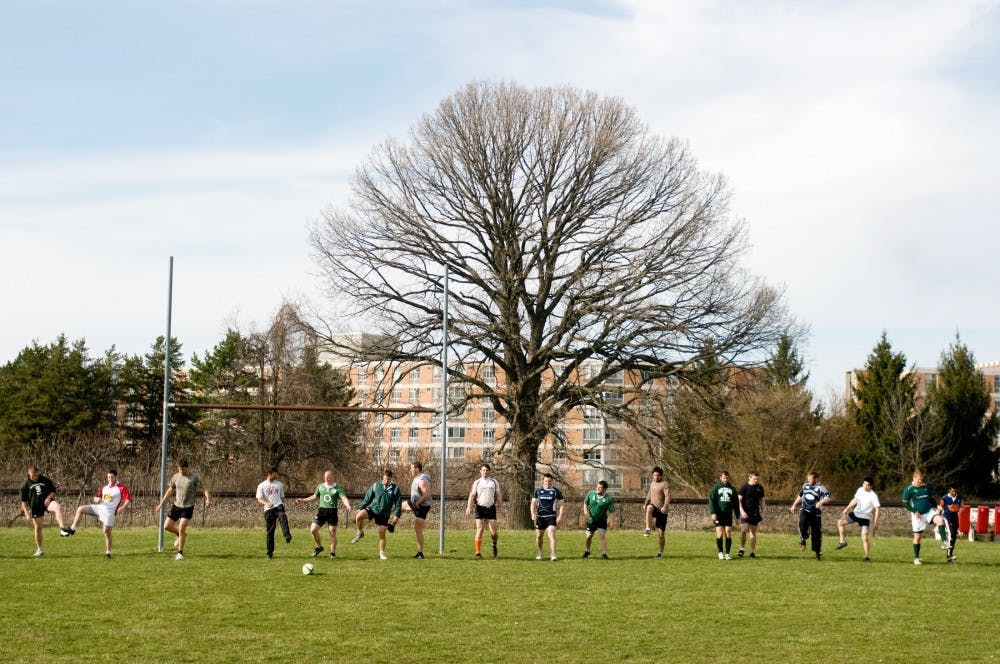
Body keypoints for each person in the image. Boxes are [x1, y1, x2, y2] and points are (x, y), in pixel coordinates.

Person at [61, 469, 132, 559]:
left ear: (116, 477)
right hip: (100, 508)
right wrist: (96, 500)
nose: (110, 479)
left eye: (112, 477)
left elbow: (128, 499)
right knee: (80, 509)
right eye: (108, 477)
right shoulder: (104, 488)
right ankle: (72, 529)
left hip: (110, 513)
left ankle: (108, 552)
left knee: (106, 532)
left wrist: (122, 507)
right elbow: (95, 497)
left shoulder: (121, 488)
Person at [154, 459, 211, 560]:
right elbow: (170, 491)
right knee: (166, 526)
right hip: (177, 506)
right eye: (180, 470)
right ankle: (179, 535)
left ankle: (180, 553)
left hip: (188, 506)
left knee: (182, 527)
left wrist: (208, 499)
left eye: (183, 470)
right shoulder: (176, 477)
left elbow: (204, 488)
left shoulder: (194, 477)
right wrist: (160, 505)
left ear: (187, 468)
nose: (181, 472)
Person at [295, 469, 351, 558]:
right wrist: (303, 500)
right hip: (322, 511)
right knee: (313, 530)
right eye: (325, 477)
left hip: (332, 511)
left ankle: (332, 553)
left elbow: (344, 498)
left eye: (328, 477)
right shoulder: (320, 486)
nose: (327, 479)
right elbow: (314, 496)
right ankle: (319, 547)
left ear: (333, 477)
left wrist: (348, 505)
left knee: (332, 532)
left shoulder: (338, 488)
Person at [350, 468, 403, 560]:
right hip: (373, 509)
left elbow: (398, 506)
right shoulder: (376, 485)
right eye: (385, 478)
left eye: (388, 479)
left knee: (382, 533)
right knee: (359, 516)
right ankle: (360, 532)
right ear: (383, 477)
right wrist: (361, 508)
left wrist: (395, 521)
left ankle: (382, 553)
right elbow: (368, 498)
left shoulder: (395, 489)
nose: (386, 480)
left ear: (391, 478)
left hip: (384, 514)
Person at [902, 469, 951, 565]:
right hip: (918, 516)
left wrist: (937, 506)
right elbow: (904, 503)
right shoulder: (909, 489)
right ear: (914, 478)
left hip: (928, 512)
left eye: (921, 479)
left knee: (940, 520)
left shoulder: (926, 486)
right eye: (919, 479)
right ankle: (916, 558)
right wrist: (914, 511)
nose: (921, 481)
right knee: (917, 538)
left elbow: (930, 498)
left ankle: (944, 542)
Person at [19, 466, 67, 557]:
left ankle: (62, 529)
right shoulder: (25, 485)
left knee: (58, 507)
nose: (36, 477)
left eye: (37, 475)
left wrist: (49, 497)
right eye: (34, 476)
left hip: (47, 503)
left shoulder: (45, 480)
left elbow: (53, 491)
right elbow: (23, 501)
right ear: (29, 474)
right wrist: (26, 513)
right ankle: (40, 549)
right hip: (36, 507)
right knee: (38, 528)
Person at [835, 477, 880, 562]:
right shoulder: (860, 490)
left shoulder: (873, 496)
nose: (865, 486)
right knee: (840, 522)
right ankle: (842, 542)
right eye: (864, 484)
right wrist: (847, 508)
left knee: (864, 537)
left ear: (871, 486)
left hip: (865, 518)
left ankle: (867, 557)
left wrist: (876, 522)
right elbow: (855, 500)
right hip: (855, 514)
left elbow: (877, 509)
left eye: (867, 485)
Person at [789, 471, 830, 560]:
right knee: (802, 523)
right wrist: (794, 504)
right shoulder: (805, 486)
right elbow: (800, 496)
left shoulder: (821, 487)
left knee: (816, 533)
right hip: (805, 510)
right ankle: (804, 537)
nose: (808, 480)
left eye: (810, 479)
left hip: (816, 513)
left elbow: (828, 498)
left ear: (816, 479)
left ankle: (817, 553)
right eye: (807, 478)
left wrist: (821, 502)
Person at [465, 463, 503, 559]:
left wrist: (502, 508)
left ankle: (494, 544)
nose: (485, 472)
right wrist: (469, 507)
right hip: (480, 508)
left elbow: (498, 495)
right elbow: (472, 496)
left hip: (491, 508)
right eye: (483, 470)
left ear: (489, 471)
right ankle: (478, 553)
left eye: (486, 470)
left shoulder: (494, 482)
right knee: (480, 530)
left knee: (493, 532)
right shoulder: (477, 482)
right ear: (480, 471)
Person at [256, 467, 292, 559]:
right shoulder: (261, 485)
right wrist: (266, 503)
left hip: (278, 506)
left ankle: (287, 535)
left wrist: (283, 505)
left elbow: (282, 497)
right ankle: (269, 553)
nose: (277, 475)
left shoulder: (279, 484)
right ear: (270, 473)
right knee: (270, 531)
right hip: (268, 509)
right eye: (275, 473)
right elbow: (259, 499)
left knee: (282, 516)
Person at [399, 462, 432, 559]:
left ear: (417, 469)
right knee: (399, 507)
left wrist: (417, 504)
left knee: (418, 530)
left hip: (422, 507)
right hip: (416, 504)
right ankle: (391, 525)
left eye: (412, 468)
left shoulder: (421, 480)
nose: (410, 470)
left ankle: (420, 553)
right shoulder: (417, 478)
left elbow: (426, 495)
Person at [531, 473, 564, 560]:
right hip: (540, 517)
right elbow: (533, 503)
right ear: (543, 481)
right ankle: (540, 552)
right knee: (539, 536)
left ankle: (553, 554)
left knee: (551, 534)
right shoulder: (537, 491)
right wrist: (533, 513)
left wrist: (560, 516)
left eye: (549, 481)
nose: (548, 483)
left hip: (551, 516)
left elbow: (562, 505)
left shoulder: (556, 492)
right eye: (546, 481)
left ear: (552, 481)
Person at [582, 480, 616, 559]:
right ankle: (587, 550)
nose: (597, 488)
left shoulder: (608, 499)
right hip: (591, 520)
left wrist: (612, 522)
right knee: (589, 536)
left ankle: (604, 554)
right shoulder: (591, 494)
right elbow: (585, 503)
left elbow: (612, 511)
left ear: (604, 489)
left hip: (602, 520)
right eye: (597, 487)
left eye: (599, 487)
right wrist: (586, 511)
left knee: (602, 536)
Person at [708, 471, 738, 560]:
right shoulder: (715, 488)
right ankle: (720, 552)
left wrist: (737, 516)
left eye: (727, 478)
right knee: (720, 533)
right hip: (718, 514)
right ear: (720, 478)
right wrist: (713, 512)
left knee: (728, 532)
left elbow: (736, 503)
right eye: (724, 478)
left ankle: (727, 554)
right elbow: (711, 501)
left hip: (728, 514)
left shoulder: (732, 489)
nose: (725, 479)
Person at [643, 466, 670, 558]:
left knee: (661, 534)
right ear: (652, 475)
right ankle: (648, 529)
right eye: (654, 475)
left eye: (658, 475)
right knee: (649, 508)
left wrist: (665, 506)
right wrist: (645, 503)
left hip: (662, 511)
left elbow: (668, 496)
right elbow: (649, 494)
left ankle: (660, 553)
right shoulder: (652, 483)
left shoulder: (664, 484)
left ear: (661, 475)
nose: (656, 477)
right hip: (653, 507)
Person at [737, 471, 765, 558]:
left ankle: (752, 552)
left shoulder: (760, 488)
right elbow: (739, 501)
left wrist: (763, 511)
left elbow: (762, 500)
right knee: (744, 530)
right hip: (745, 513)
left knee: (753, 532)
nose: (756, 480)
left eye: (757, 479)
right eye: (754, 479)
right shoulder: (744, 487)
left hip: (755, 513)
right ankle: (741, 549)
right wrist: (742, 511)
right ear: (749, 478)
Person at [939, 484, 962, 561]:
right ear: (949, 490)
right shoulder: (945, 498)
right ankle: (945, 545)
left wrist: (960, 508)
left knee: (954, 537)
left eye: (955, 491)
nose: (954, 492)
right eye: (953, 491)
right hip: (947, 518)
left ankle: (949, 556)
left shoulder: (959, 498)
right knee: (951, 533)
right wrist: (938, 518)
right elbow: (940, 508)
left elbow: (961, 506)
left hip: (955, 519)